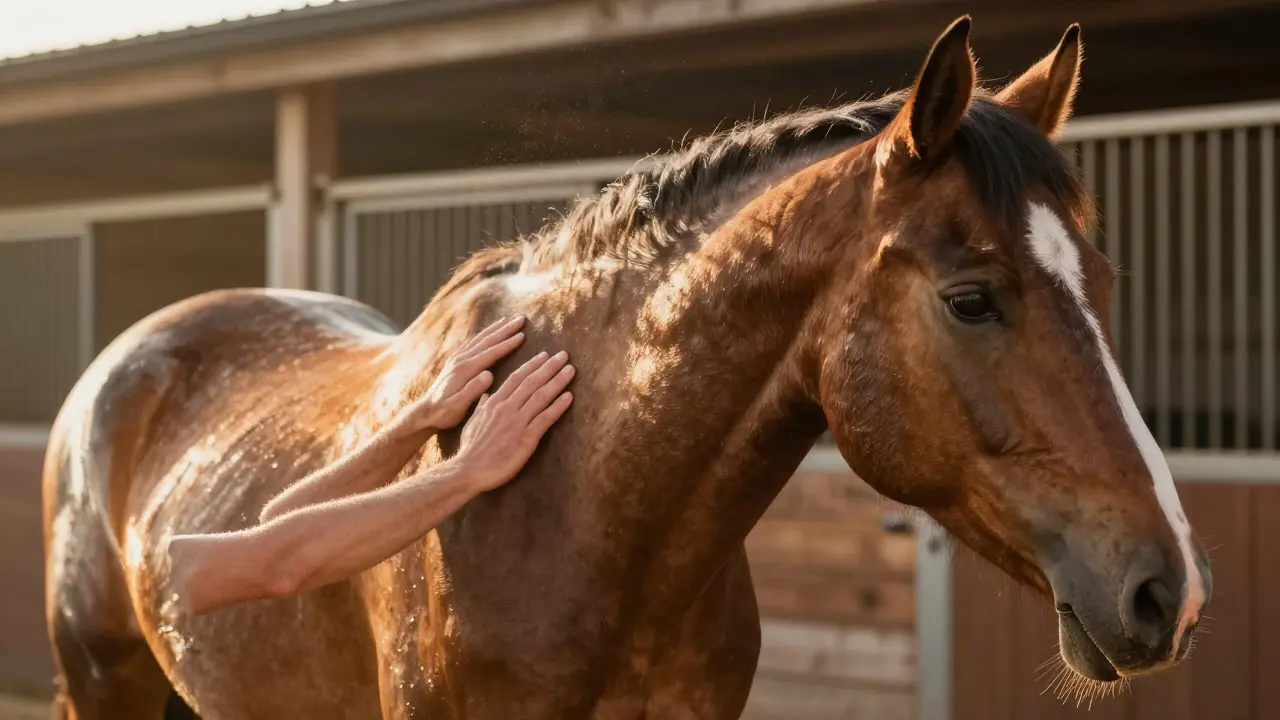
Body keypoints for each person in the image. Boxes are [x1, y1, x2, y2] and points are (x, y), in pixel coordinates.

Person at [165, 316, 574, 615]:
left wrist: (420, 419)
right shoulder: (180, 575)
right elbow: (279, 564)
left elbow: (278, 524)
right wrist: (466, 470)